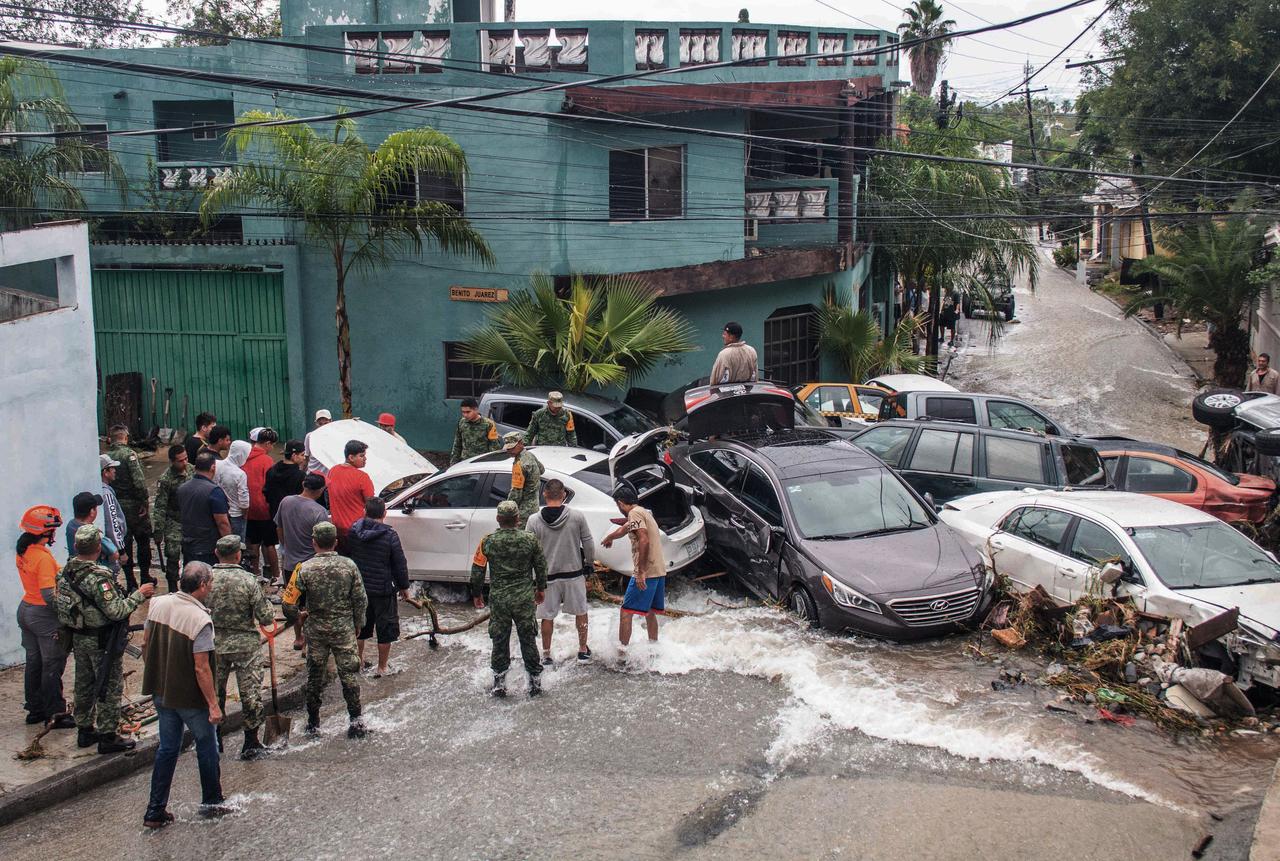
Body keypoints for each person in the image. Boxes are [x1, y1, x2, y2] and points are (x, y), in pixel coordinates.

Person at [56, 524, 154, 753]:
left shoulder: (65, 571)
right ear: (98, 548)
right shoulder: (98, 578)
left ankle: (85, 729)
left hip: (79, 637)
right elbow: (116, 611)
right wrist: (139, 596)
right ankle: (108, 735)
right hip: (102, 640)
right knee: (109, 686)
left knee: (84, 683)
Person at [140, 561, 225, 827]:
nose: (211, 587)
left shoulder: (158, 604)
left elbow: (144, 643)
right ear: (202, 586)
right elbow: (201, 668)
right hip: (189, 697)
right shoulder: (200, 619)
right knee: (207, 745)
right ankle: (212, 801)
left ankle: (155, 810)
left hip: (161, 691)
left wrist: (158, 673)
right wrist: (213, 704)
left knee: (167, 748)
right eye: (210, 583)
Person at [281, 522, 368, 738]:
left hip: (316, 630)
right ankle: (356, 722)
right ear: (336, 542)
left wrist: (297, 617)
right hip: (343, 629)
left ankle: (313, 723)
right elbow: (360, 599)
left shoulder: (304, 568)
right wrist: (359, 623)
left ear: (313, 543)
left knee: (315, 675)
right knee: (349, 674)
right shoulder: (349, 566)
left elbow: (287, 603)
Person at [470, 500, 547, 698]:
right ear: (518, 519)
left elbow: (477, 570)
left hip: (500, 599)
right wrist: (540, 589)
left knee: (499, 639)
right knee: (528, 638)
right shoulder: (530, 540)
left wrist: (477, 594)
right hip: (523, 598)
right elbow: (541, 566)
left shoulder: (488, 541)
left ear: (498, 519)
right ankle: (535, 684)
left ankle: (499, 684)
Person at [209, 535, 274, 760]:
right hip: (245, 644)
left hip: (213, 644)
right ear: (238, 555)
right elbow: (265, 617)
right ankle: (251, 742)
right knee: (250, 693)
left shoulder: (205, 578)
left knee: (215, 694)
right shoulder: (249, 581)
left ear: (217, 553)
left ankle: (214, 740)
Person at [16, 505, 74, 729]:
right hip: (43, 615)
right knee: (52, 663)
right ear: (46, 532)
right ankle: (56, 713)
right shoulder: (42, 558)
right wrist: (68, 610)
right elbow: (49, 595)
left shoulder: (24, 551)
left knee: (34, 662)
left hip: (26, 610)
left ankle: (35, 708)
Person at [525, 479, 595, 665]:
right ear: (564, 495)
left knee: (547, 616)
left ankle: (546, 654)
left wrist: (530, 574)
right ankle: (582, 649)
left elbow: (528, 549)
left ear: (545, 495)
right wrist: (589, 564)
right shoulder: (577, 517)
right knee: (581, 611)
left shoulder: (533, 520)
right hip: (573, 573)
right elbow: (588, 542)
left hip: (547, 577)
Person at [348, 497, 410, 676]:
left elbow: (349, 554)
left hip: (360, 588)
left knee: (361, 626)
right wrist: (404, 588)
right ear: (384, 513)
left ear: (364, 512)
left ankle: (358, 662)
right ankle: (382, 667)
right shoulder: (390, 535)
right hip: (383, 590)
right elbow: (399, 564)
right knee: (385, 628)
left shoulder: (354, 531)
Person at [602, 485, 667, 652]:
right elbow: (626, 528)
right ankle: (654, 649)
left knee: (626, 612)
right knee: (651, 611)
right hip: (659, 570)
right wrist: (611, 537)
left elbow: (643, 540)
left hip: (648, 571)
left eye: (618, 505)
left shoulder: (634, 513)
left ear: (621, 503)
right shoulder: (642, 511)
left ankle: (622, 654)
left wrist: (641, 572)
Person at [275, 474, 331, 650]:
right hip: (311, 566)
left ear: (303, 485)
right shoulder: (319, 512)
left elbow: (279, 528)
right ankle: (311, 640)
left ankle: (298, 638)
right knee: (313, 605)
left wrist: (285, 546)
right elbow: (323, 542)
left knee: (294, 604)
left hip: (290, 564)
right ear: (321, 490)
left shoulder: (286, 502)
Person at [106, 424, 153, 588]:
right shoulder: (130, 455)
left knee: (123, 544)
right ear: (125, 438)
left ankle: (130, 581)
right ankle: (145, 576)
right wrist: (144, 503)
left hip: (116, 506)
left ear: (110, 438)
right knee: (143, 541)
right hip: (133, 505)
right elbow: (139, 482)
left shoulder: (105, 457)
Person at [177, 451, 232, 566]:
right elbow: (223, 523)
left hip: (188, 546)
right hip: (208, 548)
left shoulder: (182, 489)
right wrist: (229, 548)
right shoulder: (214, 491)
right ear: (213, 467)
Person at [152, 445, 194, 594]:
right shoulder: (166, 480)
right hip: (174, 520)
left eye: (186, 458)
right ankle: (172, 585)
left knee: (192, 552)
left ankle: (190, 583)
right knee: (173, 552)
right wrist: (158, 530)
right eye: (180, 461)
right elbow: (160, 506)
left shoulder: (192, 470)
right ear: (172, 462)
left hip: (190, 518)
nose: (184, 463)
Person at [243, 427, 280, 581]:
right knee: (269, 543)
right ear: (267, 443)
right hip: (264, 507)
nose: (272, 448)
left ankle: (255, 573)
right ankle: (277, 575)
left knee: (252, 542)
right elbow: (271, 485)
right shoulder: (267, 461)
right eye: (272, 445)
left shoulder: (243, 458)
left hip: (247, 507)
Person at [327, 440, 375, 546]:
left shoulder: (332, 471)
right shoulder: (362, 477)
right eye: (362, 456)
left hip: (337, 530)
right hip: (357, 531)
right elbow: (372, 505)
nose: (365, 458)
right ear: (351, 458)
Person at [66, 491, 119, 569]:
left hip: (75, 569)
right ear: (92, 512)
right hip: (94, 572)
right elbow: (115, 554)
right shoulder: (94, 533)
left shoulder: (71, 525)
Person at [503, 432, 544, 527]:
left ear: (521, 443)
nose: (509, 451)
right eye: (508, 448)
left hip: (523, 512)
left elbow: (516, 493)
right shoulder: (529, 455)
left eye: (512, 448)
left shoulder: (519, 464)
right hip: (534, 507)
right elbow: (542, 470)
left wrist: (506, 510)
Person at [264, 439, 307, 524]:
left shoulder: (271, 470)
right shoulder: (300, 476)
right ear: (294, 455)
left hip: (274, 515)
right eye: (302, 455)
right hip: (293, 517)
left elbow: (266, 493)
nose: (304, 458)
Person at [216, 440, 251, 541]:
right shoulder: (240, 474)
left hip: (218, 513)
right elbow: (244, 503)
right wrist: (245, 516)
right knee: (237, 547)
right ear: (241, 454)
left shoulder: (216, 465)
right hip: (236, 515)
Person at [449, 397, 500, 465]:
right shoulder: (462, 422)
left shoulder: (488, 424)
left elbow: (494, 448)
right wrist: (453, 464)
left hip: (481, 463)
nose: (465, 415)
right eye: (463, 412)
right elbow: (457, 444)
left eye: (468, 412)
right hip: (464, 462)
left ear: (476, 410)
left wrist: (491, 465)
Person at [99, 454, 127, 574]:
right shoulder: (107, 495)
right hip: (111, 550)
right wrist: (121, 550)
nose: (115, 470)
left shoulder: (101, 490)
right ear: (105, 472)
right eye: (112, 468)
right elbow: (112, 523)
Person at [304, 409, 333, 475]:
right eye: (320, 423)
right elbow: (306, 457)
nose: (323, 426)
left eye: (326, 423)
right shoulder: (310, 436)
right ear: (316, 423)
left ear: (331, 421)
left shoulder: (335, 436)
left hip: (328, 477)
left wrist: (353, 425)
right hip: (312, 474)